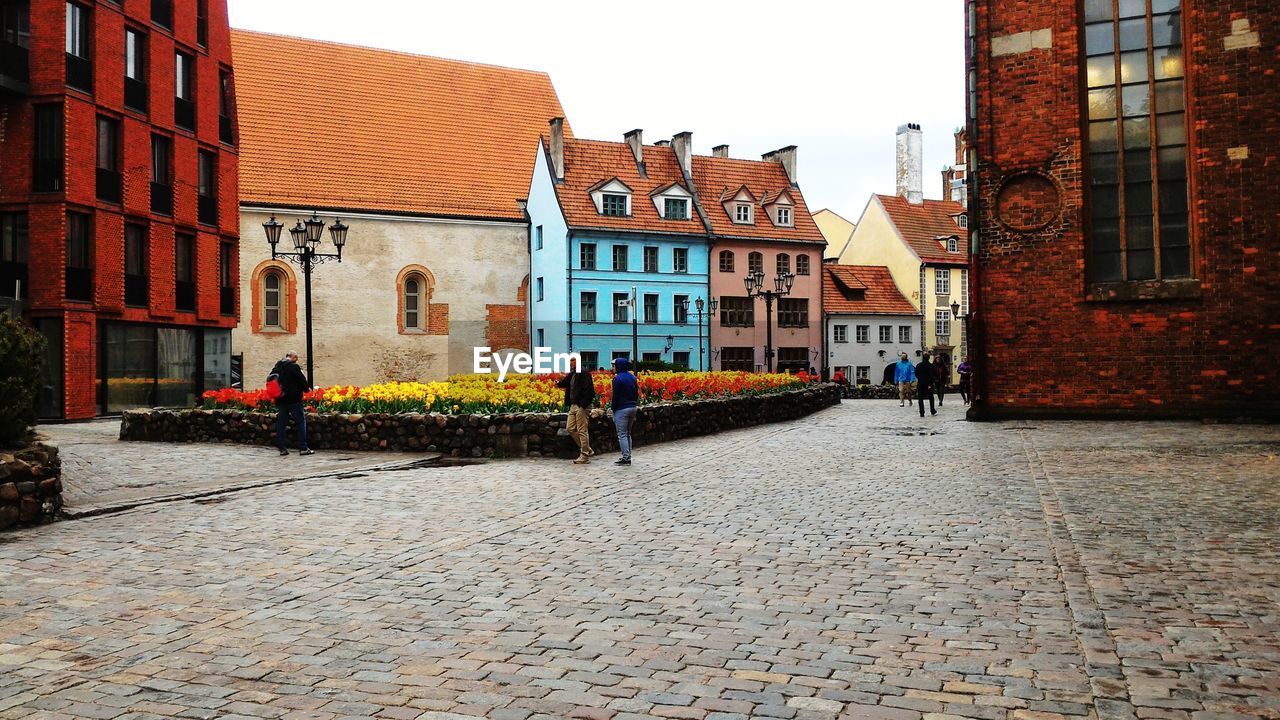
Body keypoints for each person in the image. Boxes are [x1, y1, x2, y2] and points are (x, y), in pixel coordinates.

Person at [270, 352, 313, 456]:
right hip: (294, 399)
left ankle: (282, 448)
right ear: (292, 357)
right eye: (296, 358)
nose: (296, 360)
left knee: (281, 423)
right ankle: (303, 447)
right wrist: (307, 389)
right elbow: (302, 381)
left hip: (280, 400)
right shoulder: (293, 367)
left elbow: (271, 382)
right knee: (300, 421)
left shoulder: (276, 367)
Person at [557, 362, 596, 464]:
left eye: (572, 360)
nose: (570, 363)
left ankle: (584, 456)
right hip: (573, 405)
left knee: (582, 430)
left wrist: (583, 405)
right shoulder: (573, 373)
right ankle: (587, 449)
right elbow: (565, 383)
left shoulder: (584, 373)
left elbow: (589, 391)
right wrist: (557, 382)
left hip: (581, 406)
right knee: (570, 428)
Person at [611, 357, 638, 466]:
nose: (613, 368)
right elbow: (636, 393)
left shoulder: (617, 379)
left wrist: (613, 408)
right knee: (628, 433)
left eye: (614, 366)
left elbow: (615, 396)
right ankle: (628, 454)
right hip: (632, 407)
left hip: (622, 408)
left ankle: (626, 458)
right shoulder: (632, 377)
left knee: (622, 434)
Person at [915, 352, 937, 417]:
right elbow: (933, 375)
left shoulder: (918, 365)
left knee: (920, 398)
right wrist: (930, 383)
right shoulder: (931, 366)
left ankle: (922, 412)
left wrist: (920, 379)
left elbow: (916, 374)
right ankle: (932, 410)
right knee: (931, 397)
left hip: (921, 383)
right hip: (929, 384)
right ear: (929, 358)